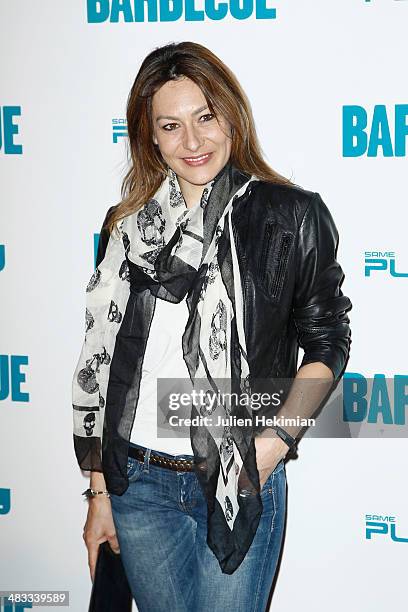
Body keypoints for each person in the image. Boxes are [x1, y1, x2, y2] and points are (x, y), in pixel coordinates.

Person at [72, 41, 352, 612]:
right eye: (171, 126)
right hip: (139, 487)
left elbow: (327, 346)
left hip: (237, 477)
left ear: (231, 115)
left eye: (206, 117)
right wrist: (99, 492)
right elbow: (104, 369)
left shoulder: (291, 215)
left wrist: (273, 446)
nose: (193, 142)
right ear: (151, 136)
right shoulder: (125, 227)